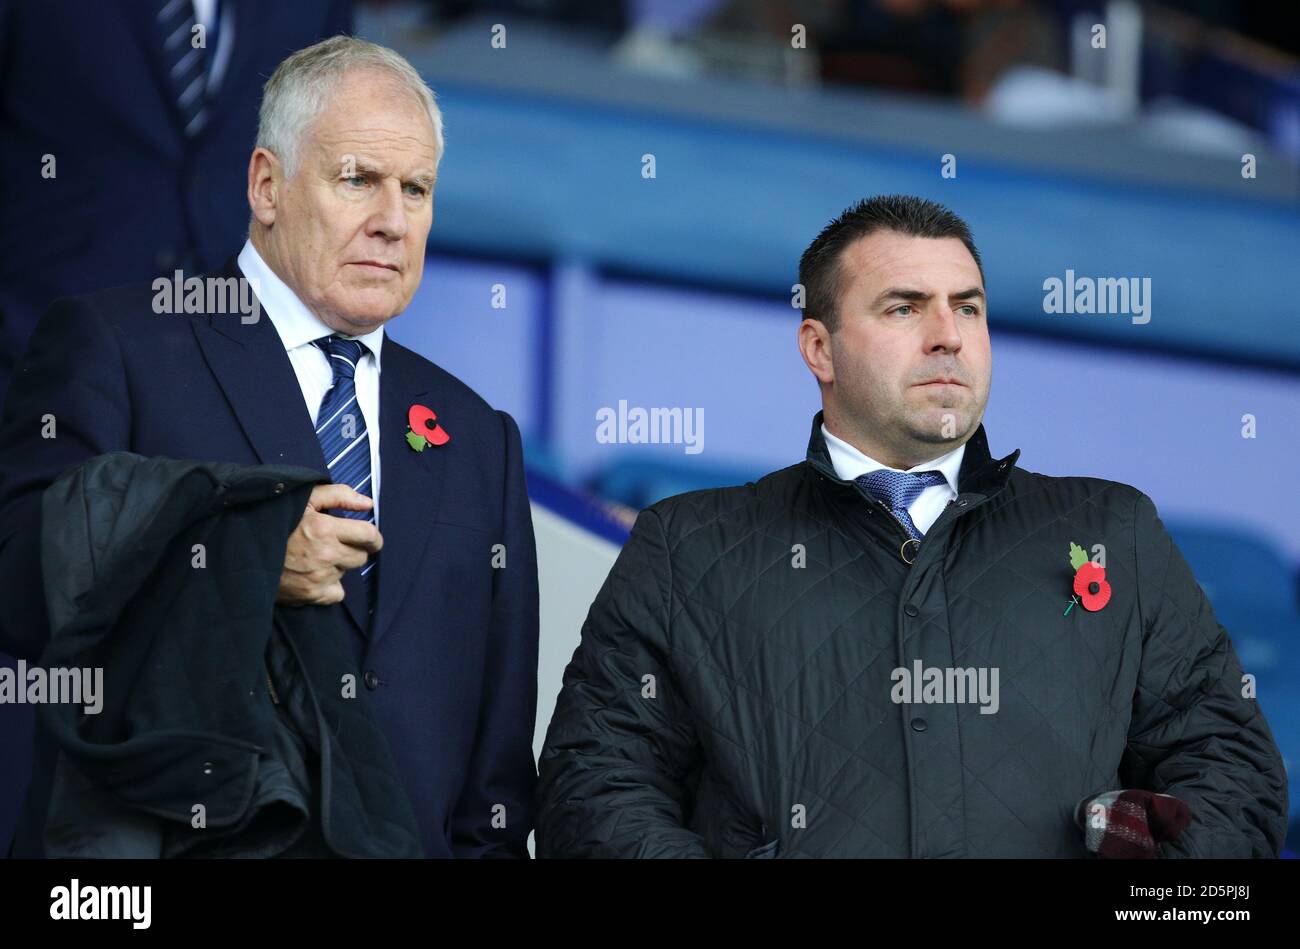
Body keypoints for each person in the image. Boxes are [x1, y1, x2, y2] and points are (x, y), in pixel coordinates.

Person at [536, 194, 1288, 858]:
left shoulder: (1111, 529)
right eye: (904, 307)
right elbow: (593, 790)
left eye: (968, 307)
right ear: (818, 348)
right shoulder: (688, 545)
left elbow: (1234, 776)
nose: (948, 335)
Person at [0, 36, 538, 859]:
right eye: (357, 179)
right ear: (266, 185)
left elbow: (491, 789)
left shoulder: (479, 440)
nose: (392, 221)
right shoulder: (120, 346)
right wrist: (240, 555)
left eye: (417, 189)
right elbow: (18, 581)